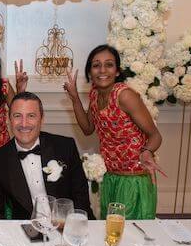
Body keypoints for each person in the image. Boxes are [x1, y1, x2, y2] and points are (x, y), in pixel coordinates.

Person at [64, 44, 163, 220]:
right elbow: (87, 129)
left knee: (129, 234)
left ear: (117, 71)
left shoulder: (125, 95)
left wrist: (147, 152)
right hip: (111, 176)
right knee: (109, 230)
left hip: (134, 178)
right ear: (90, 72)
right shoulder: (95, 94)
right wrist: (74, 97)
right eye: (96, 65)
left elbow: (155, 135)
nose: (102, 70)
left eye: (109, 65)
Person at [0, 92, 94, 220]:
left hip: (66, 225)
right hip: (25, 229)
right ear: (9, 119)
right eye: (17, 116)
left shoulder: (65, 147)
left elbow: (81, 200)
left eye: (31, 116)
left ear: (42, 119)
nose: (24, 124)